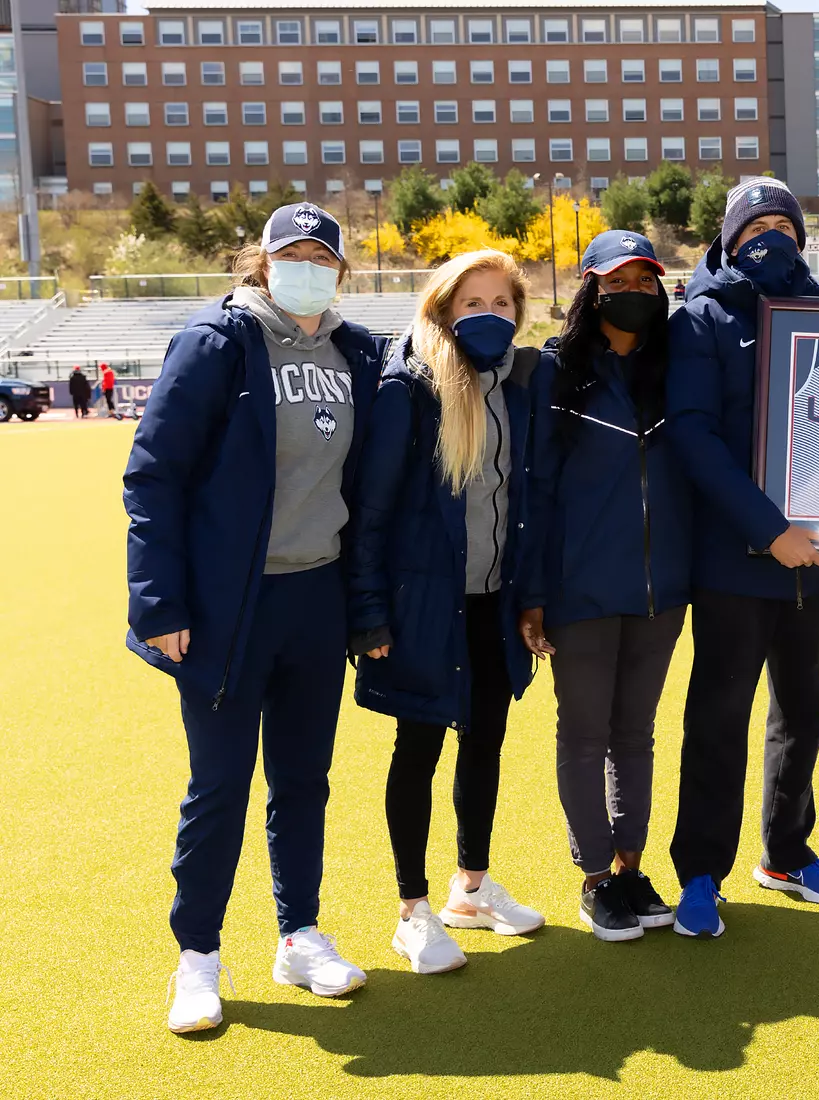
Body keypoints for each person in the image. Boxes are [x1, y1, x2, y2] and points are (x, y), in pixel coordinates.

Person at [126, 203, 382, 1034]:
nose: (305, 265)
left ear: (340, 271)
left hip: (317, 595)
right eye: (290, 253)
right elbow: (153, 476)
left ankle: (298, 934)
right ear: (262, 264)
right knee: (220, 784)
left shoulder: (355, 352)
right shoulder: (217, 343)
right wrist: (159, 602)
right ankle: (197, 956)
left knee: (303, 779)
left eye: (321, 255)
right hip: (228, 604)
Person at [349, 249, 546, 975]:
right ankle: (412, 911)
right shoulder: (409, 388)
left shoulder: (518, 385)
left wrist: (530, 598)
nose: (488, 316)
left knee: (485, 742)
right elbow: (371, 513)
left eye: (502, 304)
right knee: (419, 749)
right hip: (422, 607)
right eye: (473, 303)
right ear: (441, 310)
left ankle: (472, 887)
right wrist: (369, 614)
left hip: (492, 605)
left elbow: (521, 506)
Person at [666, 177, 819, 938]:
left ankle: (786, 851)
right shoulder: (702, 319)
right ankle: (701, 873)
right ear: (729, 239)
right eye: (755, 226)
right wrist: (769, 529)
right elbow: (693, 436)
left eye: (784, 222)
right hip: (735, 560)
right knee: (718, 718)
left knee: (801, 715)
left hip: (818, 563)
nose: (770, 236)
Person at [517, 231, 691, 943]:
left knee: (637, 735)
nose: (637, 293)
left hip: (661, 593)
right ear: (590, 288)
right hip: (581, 591)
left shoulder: (676, 372)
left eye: (648, 282)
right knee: (586, 736)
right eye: (620, 281)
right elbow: (535, 495)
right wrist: (532, 592)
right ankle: (593, 877)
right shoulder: (553, 376)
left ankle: (629, 868)